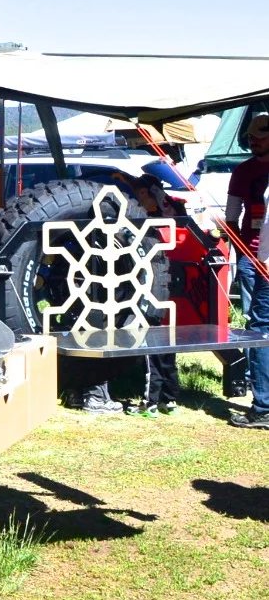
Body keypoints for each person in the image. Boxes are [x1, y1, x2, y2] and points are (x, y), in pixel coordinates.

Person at [225, 113, 269, 428]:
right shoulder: (243, 171)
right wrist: (241, 250)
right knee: (256, 325)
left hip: (263, 258)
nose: (254, 142)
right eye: (251, 137)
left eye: (261, 137)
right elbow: (230, 216)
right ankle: (257, 384)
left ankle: (263, 404)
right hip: (250, 257)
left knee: (260, 328)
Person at [129, 174, 185, 418]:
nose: (139, 198)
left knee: (157, 351)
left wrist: (159, 194)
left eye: (143, 193)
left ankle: (152, 402)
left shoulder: (165, 216)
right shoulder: (140, 219)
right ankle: (167, 399)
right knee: (161, 350)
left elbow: (175, 212)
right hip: (155, 291)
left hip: (160, 293)